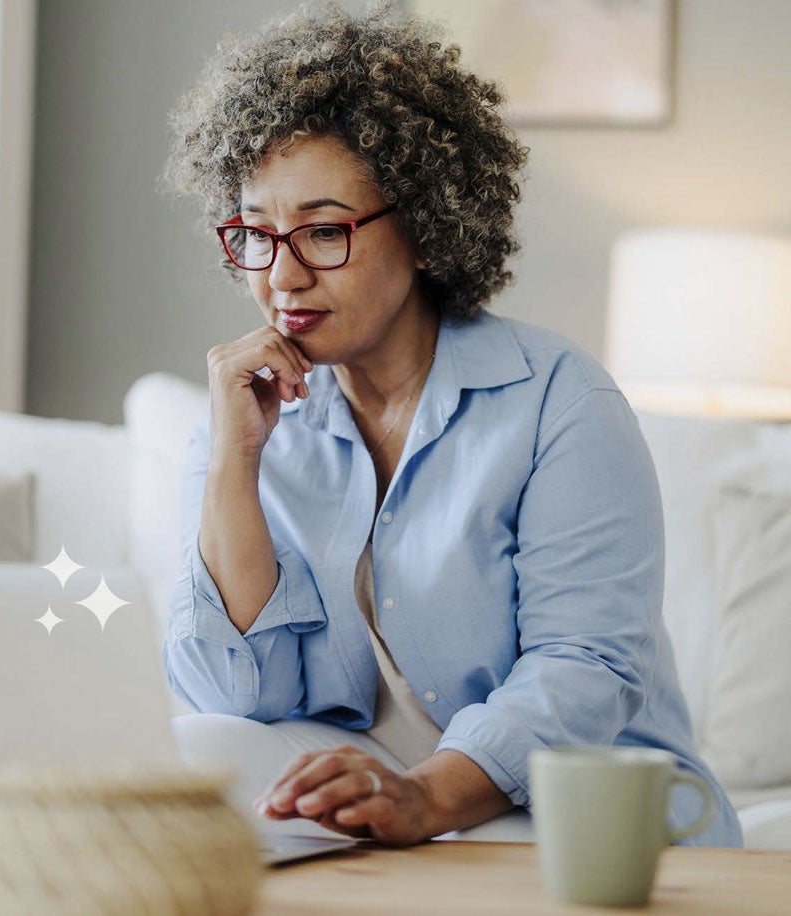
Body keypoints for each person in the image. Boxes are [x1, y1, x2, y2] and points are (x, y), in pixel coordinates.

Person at [160, 2, 742, 847]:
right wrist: (232, 464)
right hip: (372, 787)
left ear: (428, 228)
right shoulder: (247, 412)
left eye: (323, 231)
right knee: (196, 754)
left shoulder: (560, 402)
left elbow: (583, 673)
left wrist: (422, 799)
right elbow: (238, 695)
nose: (281, 275)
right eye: (256, 234)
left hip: (570, 802)